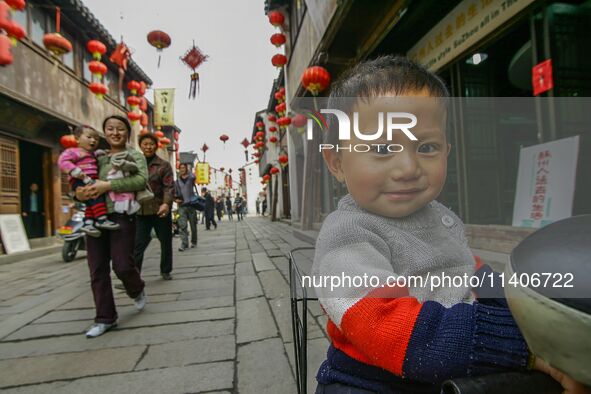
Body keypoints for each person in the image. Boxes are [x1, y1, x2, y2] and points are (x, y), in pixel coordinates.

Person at [311, 56, 580, 393]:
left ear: (447, 151)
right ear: (337, 162)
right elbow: (388, 325)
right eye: (382, 148)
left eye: (426, 147)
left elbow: (468, 269)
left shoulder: (434, 215)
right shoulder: (346, 235)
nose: (408, 167)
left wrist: (528, 310)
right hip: (373, 380)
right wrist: (518, 343)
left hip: (454, 361)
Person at [75, 115, 147, 338]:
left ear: (127, 133)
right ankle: (105, 318)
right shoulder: (97, 157)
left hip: (122, 215)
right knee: (97, 268)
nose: (115, 133)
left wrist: (108, 185)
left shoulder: (135, 155)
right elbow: (80, 180)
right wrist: (77, 193)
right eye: (110, 129)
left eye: (120, 129)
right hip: (94, 217)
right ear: (105, 132)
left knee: (123, 265)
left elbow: (140, 180)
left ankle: (136, 288)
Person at [58, 126, 119, 237]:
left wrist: (100, 153)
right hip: (79, 180)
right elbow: (62, 161)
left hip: (90, 179)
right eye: (89, 137)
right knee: (95, 196)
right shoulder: (73, 151)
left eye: (96, 139)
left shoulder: (92, 154)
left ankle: (88, 222)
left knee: (90, 203)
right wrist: (74, 170)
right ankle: (101, 219)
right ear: (77, 139)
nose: (93, 140)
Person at [133, 133, 174, 281]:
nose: (148, 147)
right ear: (141, 145)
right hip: (141, 210)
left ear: (156, 146)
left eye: (151, 144)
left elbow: (168, 187)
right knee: (137, 244)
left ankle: (166, 270)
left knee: (165, 241)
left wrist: (166, 203)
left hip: (159, 209)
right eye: (145, 144)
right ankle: (134, 274)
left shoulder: (164, 165)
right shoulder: (136, 163)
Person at [174, 163, 197, 251]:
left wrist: (189, 170)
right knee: (182, 225)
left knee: (193, 225)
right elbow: (174, 193)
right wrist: (175, 200)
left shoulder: (190, 179)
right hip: (182, 206)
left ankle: (194, 241)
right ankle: (184, 244)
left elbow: (194, 176)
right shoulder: (177, 182)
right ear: (179, 170)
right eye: (181, 168)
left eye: (184, 168)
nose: (182, 169)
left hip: (191, 205)